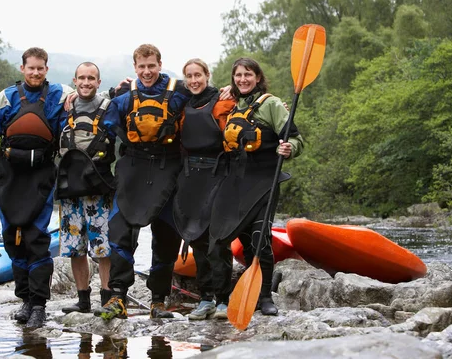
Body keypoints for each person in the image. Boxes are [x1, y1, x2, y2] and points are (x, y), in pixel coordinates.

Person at [0, 47, 73, 328]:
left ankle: (39, 306)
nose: (35, 72)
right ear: (22, 68)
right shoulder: (6, 97)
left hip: (41, 175)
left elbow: (87, 101)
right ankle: (25, 300)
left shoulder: (60, 95)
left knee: (36, 238)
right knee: (12, 238)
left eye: (40, 68)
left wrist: (110, 93)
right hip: (9, 175)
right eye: (31, 68)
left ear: (47, 69)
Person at [93, 44, 192, 320]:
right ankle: (117, 296)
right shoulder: (124, 97)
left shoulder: (179, 92)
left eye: (151, 66)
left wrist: (227, 92)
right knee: (120, 232)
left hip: (168, 169)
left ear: (160, 65)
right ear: (135, 68)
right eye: (141, 67)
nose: (147, 72)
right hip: (133, 169)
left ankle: (158, 300)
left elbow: (208, 99)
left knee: (166, 236)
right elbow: (95, 108)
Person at [208, 57, 304, 316]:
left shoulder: (272, 105)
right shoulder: (232, 106)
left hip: (264, 182)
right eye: (238, 75)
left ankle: (264, 298)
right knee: (219, 239)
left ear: (258, 77)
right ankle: (222, 299)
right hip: (234, 182)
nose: (243, 79)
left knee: (261, 240)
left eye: (248, 74)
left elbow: (295, 139)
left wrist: (288, 148)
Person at [172, 58, 235, 320]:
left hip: (218, 174)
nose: (194, 80)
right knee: (196, 237)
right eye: (189, 76)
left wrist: (234, 88)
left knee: (217, 240)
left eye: (198, 75)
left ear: (208, 76)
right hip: (190, 177)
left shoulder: (223, 101)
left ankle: (223, 300)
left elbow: (244, 115)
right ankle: (205, 298)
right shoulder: (183, 104)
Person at [56, 62, 115, 314]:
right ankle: (82, 300)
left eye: (91, 78)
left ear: (98, 82)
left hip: (99, 188)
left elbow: (126, 91)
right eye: (82, 78)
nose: (86, 82)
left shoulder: (109, 107)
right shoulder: (62, 108)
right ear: (75, 80)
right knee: (74, 249)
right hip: (70, 189)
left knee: (103, 247)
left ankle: (107, 299)